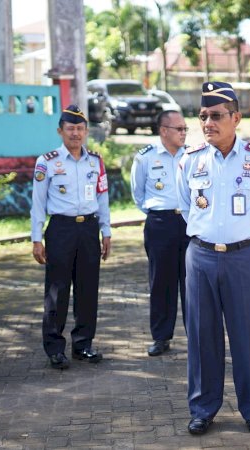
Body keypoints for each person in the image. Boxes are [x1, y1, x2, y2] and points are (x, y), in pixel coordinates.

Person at [177, 81, 250, 436]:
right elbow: (186, 209)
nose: (208, 123)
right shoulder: (190, 160)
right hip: (201, 258)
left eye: (216, 116)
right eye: (203, 115)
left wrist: (237, 237)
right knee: (202, 337)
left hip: (244, 257)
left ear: (236, 117)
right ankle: (203, 407)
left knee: (248, 336)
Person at [31, 104, 112, 370]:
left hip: (88, 229)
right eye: (70, 129)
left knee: (88, 289)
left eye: (79, 129)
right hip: (61, 229)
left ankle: (83, 344)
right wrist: (36, 238)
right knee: (58, 290)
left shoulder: (95, 161)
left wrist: (106, 232)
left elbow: (102, 197)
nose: (75, 134)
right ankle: (55, 348)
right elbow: (38, 202)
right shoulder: (48, 162)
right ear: (60, 131)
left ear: (86, 131)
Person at [131, 111, 190, 357]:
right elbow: (138, 194)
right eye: (179, 129)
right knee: (161, 282)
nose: (184, 133)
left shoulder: (193, 156)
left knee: (192, 283)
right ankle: (161, 337)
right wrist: (158, 213)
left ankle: (197, 336)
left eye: (185, 128)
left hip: (189, 223)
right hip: (160, 223)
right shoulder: (145, 157)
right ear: (164, 130)